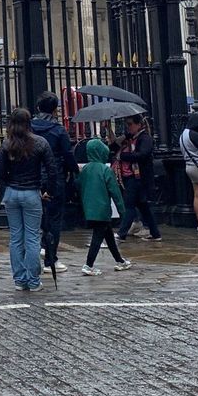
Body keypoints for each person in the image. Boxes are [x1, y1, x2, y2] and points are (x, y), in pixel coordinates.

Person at [0, 107, 52, 292]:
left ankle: (20, 280)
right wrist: (48, 190)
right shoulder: (40, 143)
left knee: (16, 237)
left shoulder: (7, 144)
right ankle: (33, 280)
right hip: (31, 192)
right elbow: (51, 170)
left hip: (12, 192)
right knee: (32, 237)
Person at [31, 93, 78, 275]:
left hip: (33, 177)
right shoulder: (58, 130)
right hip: (55, 177)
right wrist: (74, 170)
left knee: (35, 218)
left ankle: (38, 251)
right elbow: (67, 154)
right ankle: (51, 259)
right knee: (55, 218)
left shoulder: (30, 127)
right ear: (55, 109)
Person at [78, 137, 131, 274]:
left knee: (108, 235)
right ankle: (88, 265)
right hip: (102, 209)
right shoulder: (105, 170)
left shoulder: (85, 169)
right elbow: (115, 192)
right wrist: (122, 211)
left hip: (89, 208)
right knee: (97, 237)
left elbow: (78, 186)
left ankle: (120, 261)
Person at [114, 116, 161, 242]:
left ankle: (121, 233)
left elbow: (142, 155)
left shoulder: (145, 138)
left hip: (138, 177)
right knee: (143, 207)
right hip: (133, 177)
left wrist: (124, 156)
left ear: (139, 125)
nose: (128, 127)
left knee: (129, 205)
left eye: (130, 124)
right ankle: (155, 233)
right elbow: (115, 145)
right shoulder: (130, 138)